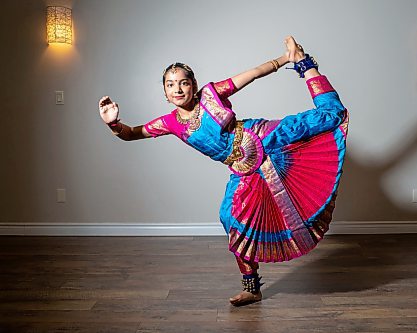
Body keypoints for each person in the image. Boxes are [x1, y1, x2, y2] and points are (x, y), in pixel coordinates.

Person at [98, 36, 348, 306]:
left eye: (183, 82)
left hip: (262, 136)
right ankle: (252, 287)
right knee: (230, 218)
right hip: (243, 169)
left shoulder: (211, 95)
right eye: (171, 84)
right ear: (165, 93)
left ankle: (304, 61)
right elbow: (133, 134)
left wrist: (285, 59)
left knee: (329, 117)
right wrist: (114, 125)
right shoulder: (169, 123)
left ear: (193, 86)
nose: (178, 88)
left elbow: (251, 75)